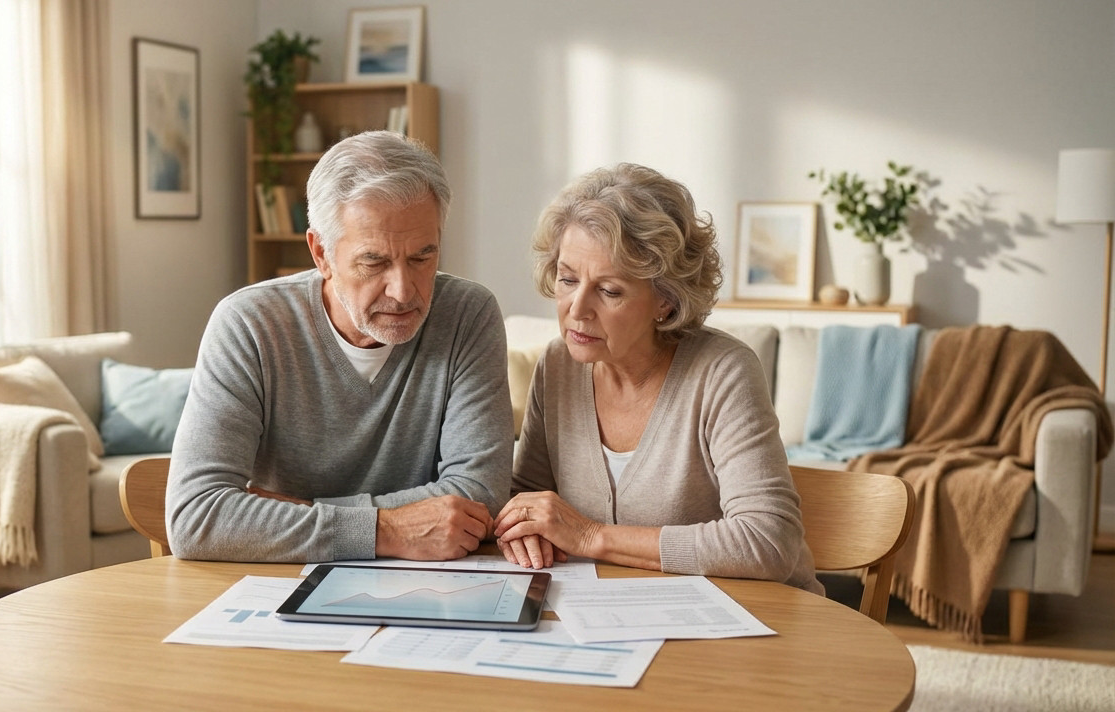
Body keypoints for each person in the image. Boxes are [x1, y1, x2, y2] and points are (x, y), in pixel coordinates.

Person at [167, 131, 514, 563]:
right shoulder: (249, 325)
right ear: (321, 254)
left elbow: (479, 497)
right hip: (274, 589)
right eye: (375, 262)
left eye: (423, 257)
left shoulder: (467, 314)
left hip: (430, 584)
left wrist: (289, 514)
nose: (404, 291)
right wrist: (386, 531)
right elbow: (197, 518)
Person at [495, 163, 823, 594]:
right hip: (620, 617)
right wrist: (524, 532)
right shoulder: (559, 365)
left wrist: (591, 537)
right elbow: (529, 502)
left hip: (757, 622)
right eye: (568, 279)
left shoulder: (722, 372)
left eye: (609, 291)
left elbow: (767, 540)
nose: (577, 308)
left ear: (665, 301)